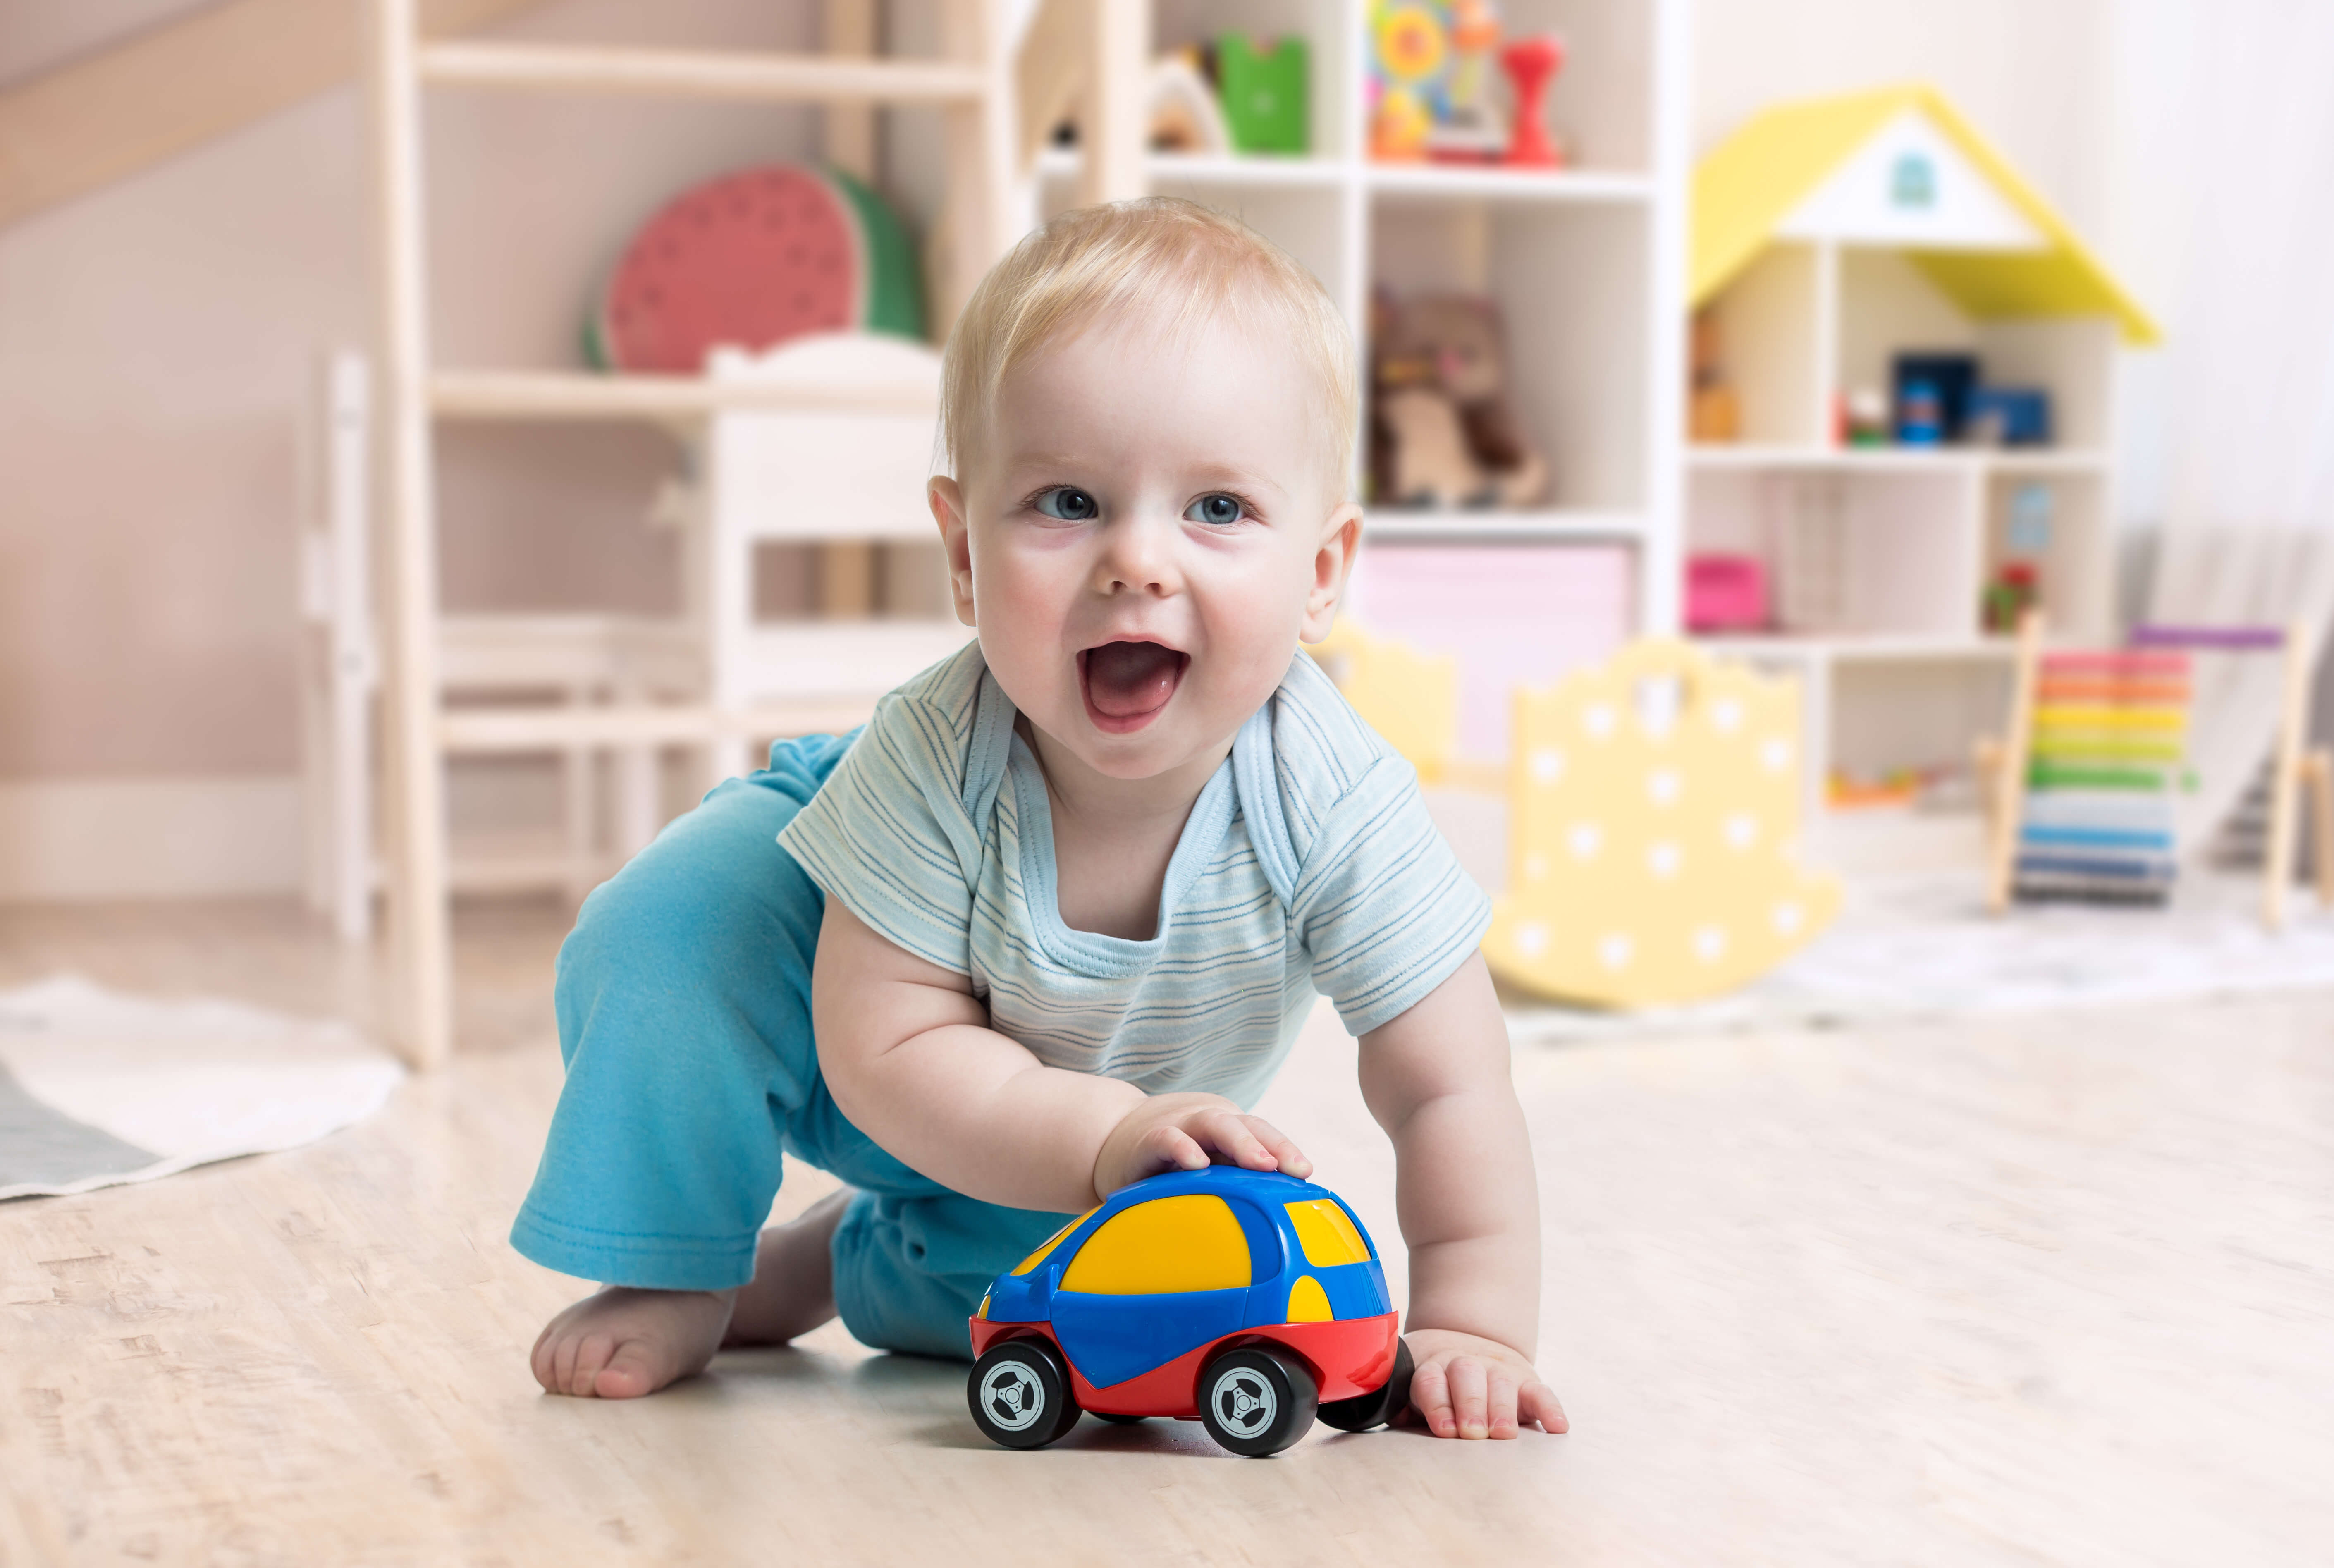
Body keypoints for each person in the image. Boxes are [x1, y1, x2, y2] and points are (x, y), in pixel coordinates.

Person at [516, 198, 1565, 1441]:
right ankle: (680, 1261)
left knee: (1023, 1306)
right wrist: (1100, 1130)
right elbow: (891, 1051)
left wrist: (1472, 1319)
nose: (1138, 561)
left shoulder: (1331, 797)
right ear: (963, 555)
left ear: (1322, 573)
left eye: (1218, 510)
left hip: (1101, 1112)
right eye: (1067, 503)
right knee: (675, 929)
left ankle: (819, 1268)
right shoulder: (932, 758)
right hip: (869, 1005)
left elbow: (1448, 1083)